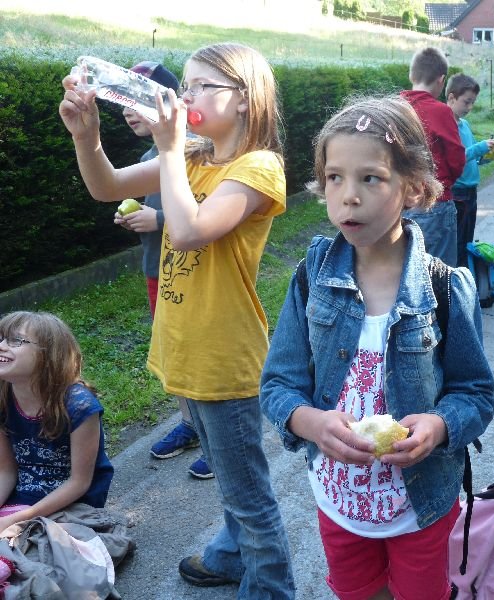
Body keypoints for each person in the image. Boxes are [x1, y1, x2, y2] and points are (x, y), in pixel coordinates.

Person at [59, 42, 295, 598]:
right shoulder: (190, 155)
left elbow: (188, 231)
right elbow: (106, 187)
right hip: (186, 345)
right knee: (229, 479)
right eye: (184, 85)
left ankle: (271, 586)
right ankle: (233, 555)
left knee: (247, 492)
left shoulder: (257, 168)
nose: (185, 96)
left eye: (201, 86)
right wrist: (86, 136)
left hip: (225, 355)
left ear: (245, 98)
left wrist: (169, 147)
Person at [260, 95, 494, 600]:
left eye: (371, 178)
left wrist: (438, 425)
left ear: (413, 188)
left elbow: (475, 394)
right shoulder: (312, 278)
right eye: (334, 178)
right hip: (339, 503)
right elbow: (278, 384)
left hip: (420, 507)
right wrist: (309, 422)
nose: (349, 197)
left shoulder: (444, 289)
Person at [116, 61, 212, 480]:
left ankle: (216, 437)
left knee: (199, 351)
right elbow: (116, 189)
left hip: (193, 272)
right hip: (157, 270)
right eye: (122, 102)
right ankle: (191, 425)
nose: (126, 111)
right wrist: (134, 216)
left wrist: (156, 219)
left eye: (135, 100)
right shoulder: (147, 158)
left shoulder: (197, 151)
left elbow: (209, 215)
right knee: (174, 352)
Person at [0, 311, 114, 534]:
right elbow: (6, 470)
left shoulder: (79, 405)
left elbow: (79, 482)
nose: (2, 346)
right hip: (22, 495)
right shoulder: (3, 399)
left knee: (24, 549)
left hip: (73, 505)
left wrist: (17, 520)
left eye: (15, 340)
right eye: (0, 338)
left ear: (48, 355)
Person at [400, 47, 466, 267]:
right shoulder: (441, 111)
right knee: (439, 271)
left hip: (398, 202)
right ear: (441, 80)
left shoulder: (395, 108)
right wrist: (445, 183)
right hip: (435, 202)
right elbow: (456, 159)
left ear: (411, 75)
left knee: (404, 267)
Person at [446, 73, 494, 267]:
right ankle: (456, 277)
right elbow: (455, 159)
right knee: (458, 241)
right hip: (458, 192)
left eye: (473, 103)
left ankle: (464, 275)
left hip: (471, 191)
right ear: (451, 98)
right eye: (466, 102)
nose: (470, 107)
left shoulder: (465, 124)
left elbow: (471, 158)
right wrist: (479, 148)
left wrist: (488, 155)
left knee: (468, 239)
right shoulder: (447, 126)